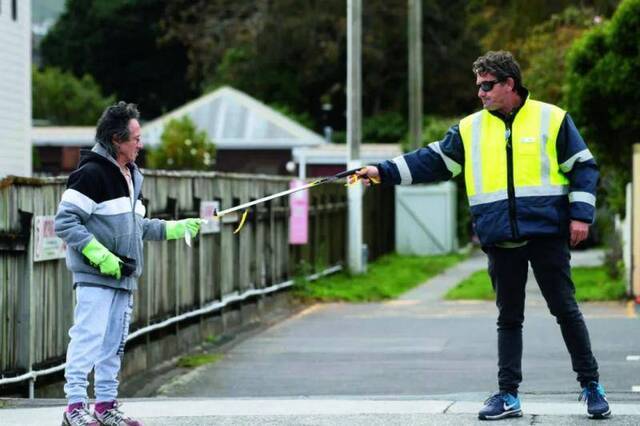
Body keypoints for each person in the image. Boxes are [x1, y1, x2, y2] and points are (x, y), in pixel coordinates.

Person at [356, 51, 610, 421]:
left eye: (488, 86)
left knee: (565, 310)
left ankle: (591, 386)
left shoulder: (552, 119)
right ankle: (508, 396)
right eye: (478, 87)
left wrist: (581, 215)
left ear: (510, 84)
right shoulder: (470, 128)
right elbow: (432, 160)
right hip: (499, 237)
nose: (481, 93)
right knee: (509, 318)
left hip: (546, 233)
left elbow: (584, 168)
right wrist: (381, 171)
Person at [55, 102, 202, 426]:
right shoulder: (90, 174)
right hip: (95, 277)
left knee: (113, 346)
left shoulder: (132, 177)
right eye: (135, 138)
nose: (141, 144)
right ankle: (74, 407)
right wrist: (100, 256)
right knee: (87, 339)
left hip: (124, 276)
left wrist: (175, 228)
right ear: (116, 140)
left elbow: (138, 226)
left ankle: (105, 407)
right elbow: (65, 222)